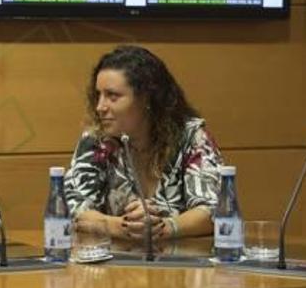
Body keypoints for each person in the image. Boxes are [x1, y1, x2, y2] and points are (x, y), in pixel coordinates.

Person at [64, 45, 222, 241]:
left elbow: (214, 211)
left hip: (180, 265)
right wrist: (123, 227)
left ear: (146, 98)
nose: (100, 107)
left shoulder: (191, 138)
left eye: (112, 96)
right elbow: (71, 207)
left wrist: (164, 228)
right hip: (113, 263)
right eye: (98, 95)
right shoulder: (96, 141)